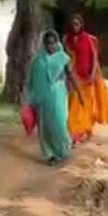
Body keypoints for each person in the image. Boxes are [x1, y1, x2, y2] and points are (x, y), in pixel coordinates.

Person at [26, 30, 85, 165]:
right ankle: (50, 155)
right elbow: (33, 81)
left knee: (60, 124)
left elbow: (70, 75)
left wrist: (80, 94)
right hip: (43, 99)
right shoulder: (38, 61)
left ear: (57, 43)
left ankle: (63, 151)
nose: (50, 46)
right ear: (44, 44)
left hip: (58, 95)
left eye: (52, 43)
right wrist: (31, 100)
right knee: (44, 127)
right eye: (47, 43)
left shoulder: (62, 58)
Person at [64, 14, 108, 143]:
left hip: (88, 75)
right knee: (75, 102)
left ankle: (87, 129)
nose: (75, 26)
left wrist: (92, 74)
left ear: (81, 25)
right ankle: (75, 131)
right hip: (76, 75)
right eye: (73, 24)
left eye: (77, 24)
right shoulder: (67, 40)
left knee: (88, 104)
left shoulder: (89, 39)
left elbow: (95, 58)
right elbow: (69, 59)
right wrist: (69, 76)